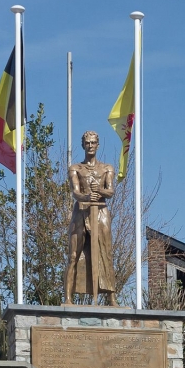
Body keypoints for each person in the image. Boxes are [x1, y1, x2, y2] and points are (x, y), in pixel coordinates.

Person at [65, 130, 116, 305]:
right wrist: (86, 197)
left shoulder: (107, 168)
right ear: (83, 145)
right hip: (81, 210)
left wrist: (99, 191)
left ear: (98, 145)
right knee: (73, 255)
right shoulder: (75, 168)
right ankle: (68, 298)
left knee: (106, 252)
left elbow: (110, 191)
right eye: (87, 143)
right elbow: (75, 192)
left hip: (100, 211)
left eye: (93, 142)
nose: (90, 146)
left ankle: (111, 297)